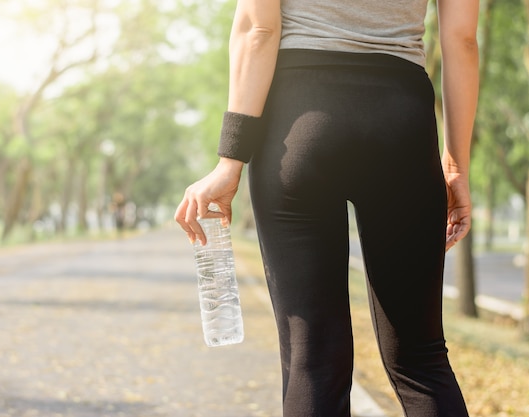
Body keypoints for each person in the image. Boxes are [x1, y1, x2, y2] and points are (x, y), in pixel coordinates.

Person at [175, 0, 479, 415]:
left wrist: (231, 160)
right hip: (401, 121)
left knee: (313, 359)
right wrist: (456, 165)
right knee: (420, 357)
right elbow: (461, 40)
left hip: (298, 121)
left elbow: (258, 29)